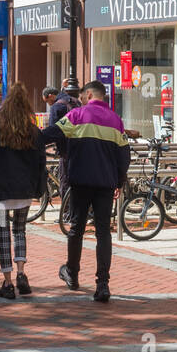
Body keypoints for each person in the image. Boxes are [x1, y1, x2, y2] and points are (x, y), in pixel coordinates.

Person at [43, 80, 131, 303]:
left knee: (77, 228)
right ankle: (103, 284)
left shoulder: (76, 116)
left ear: (90, 94)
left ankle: (72, 273)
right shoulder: (116, 121)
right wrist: (119, 182)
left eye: (82, 95)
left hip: (80, 181)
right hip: (105, 184)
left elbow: (49, 134)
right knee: (103, 233)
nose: (80, 99)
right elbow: (124, 156)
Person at [0, 83, 47, 299]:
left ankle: (7, 282)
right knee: (20, 230)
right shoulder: (33, 132)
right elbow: (41, 162)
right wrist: (39, 189)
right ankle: (22, 272)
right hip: (23, 191)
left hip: (0, 191)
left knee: (3, 234)